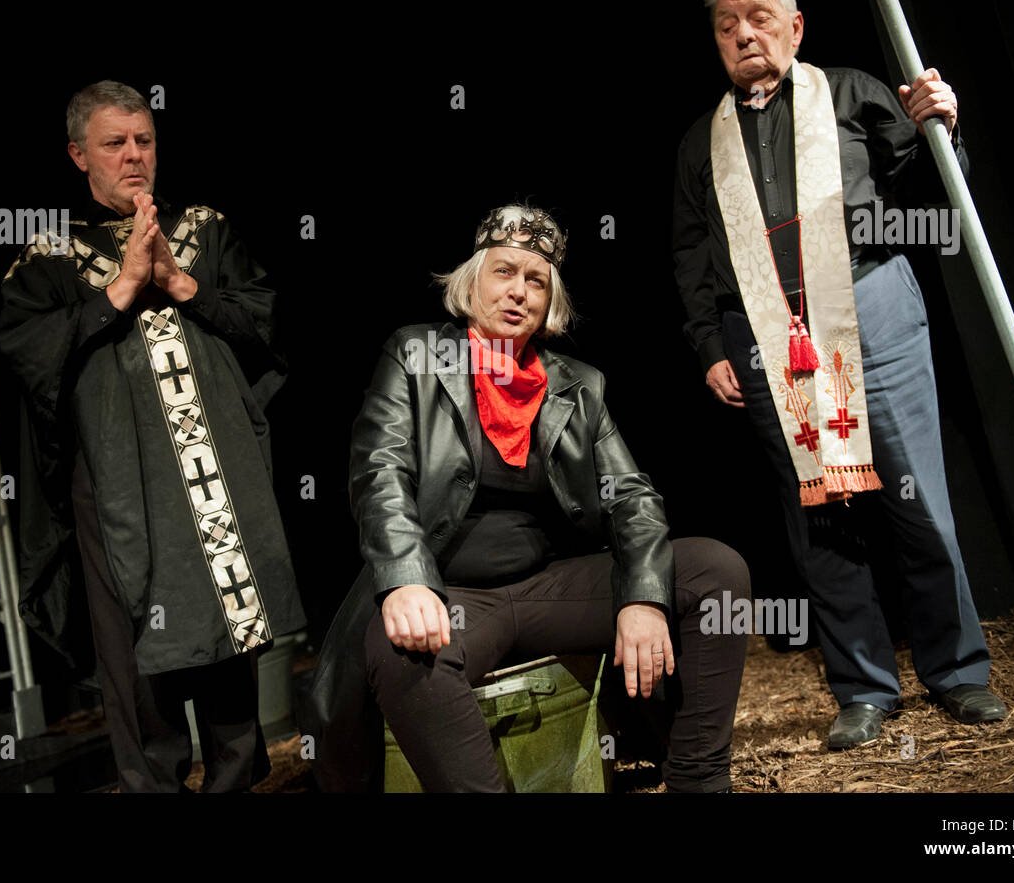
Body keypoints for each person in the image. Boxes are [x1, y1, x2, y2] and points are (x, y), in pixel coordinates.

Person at [671, 0, 1007, 749]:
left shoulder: (852, 92)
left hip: (872, 310)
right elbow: (691, 252)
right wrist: (708, 343)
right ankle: (863, 685)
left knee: (915, 495)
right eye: (727, 25)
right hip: (762, 335)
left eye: (759, 18)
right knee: (818, 517)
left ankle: (959, 671)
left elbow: (938, 189)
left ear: (795, 27)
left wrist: (944, 125)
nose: (744, 33)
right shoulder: (700, 143)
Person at [307, 204, 749, 792]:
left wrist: (643, 596)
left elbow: (633, 499)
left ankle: (698, 781)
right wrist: (407, 578)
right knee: (399, 651)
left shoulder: (579, 385)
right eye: (503, 273)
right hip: (452, 592)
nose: (518, 292)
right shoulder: (414, 355)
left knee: (715, 571)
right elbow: (378, 472)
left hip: (547, 588)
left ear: (551, 300)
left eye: (535, 280)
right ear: (471, 283)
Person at [0, 80, 305, 791]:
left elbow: (264, 323)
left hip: (212, 473)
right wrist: (120, 290)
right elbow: (28, 355)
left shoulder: (203, 228)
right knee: (135, 650)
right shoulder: (48, 255)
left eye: (145, 141)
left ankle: (234, 778)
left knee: (228, 628)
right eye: (115, 143)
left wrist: (180, 281)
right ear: (78, 155)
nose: (134, 156)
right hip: (115, 489)